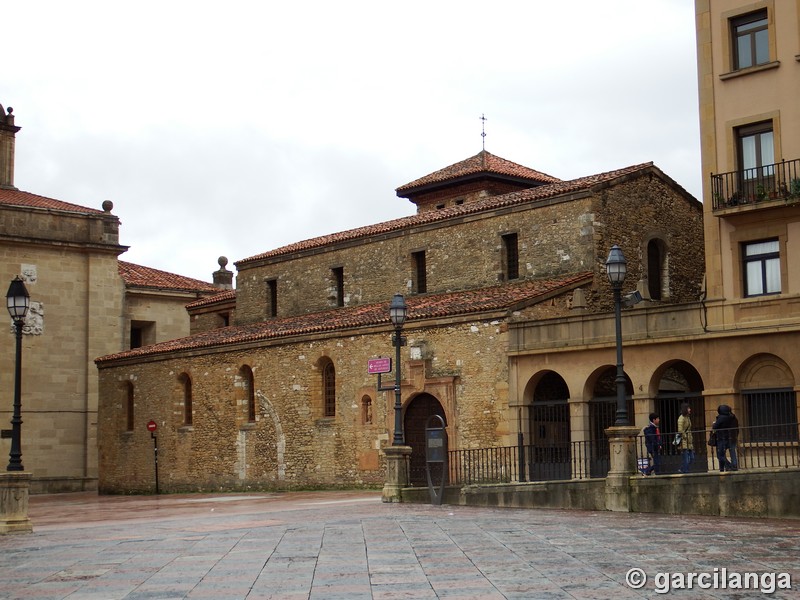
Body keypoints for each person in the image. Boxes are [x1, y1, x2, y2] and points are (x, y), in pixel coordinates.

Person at [712, 404, 739, 471]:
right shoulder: (732, 417)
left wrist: (714, 423)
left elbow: (715, 426)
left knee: (720, 454)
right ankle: (733, 465)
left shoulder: (722, 418)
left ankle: (728, 465)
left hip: (722, 437)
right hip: (732, 437)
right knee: (732, 451)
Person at [676, 402, 694, 473]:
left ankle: (682, 469)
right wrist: (685, 436)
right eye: (688, 408)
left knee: (692, 458)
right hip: (684, 441)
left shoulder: (687, 417)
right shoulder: (681, 418)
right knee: (686, 459)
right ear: (685, 409)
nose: (690, 409)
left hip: (689, 440)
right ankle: (685, 472)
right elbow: (680, 430)